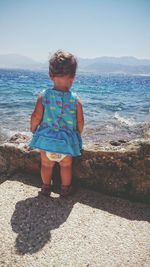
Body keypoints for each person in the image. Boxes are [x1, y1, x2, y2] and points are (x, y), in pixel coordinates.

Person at [29, 50, 84, 197]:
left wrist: (33, 129)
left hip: (46, 140)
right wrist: (78, 133)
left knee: (46, 165)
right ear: (73, 77)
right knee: (66, 166)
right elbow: (80, 122)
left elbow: (36, 116)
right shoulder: (76, 100)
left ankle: (46, 187)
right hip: (66, 142)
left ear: (50, 75)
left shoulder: (44, 96)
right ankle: (65, 189)